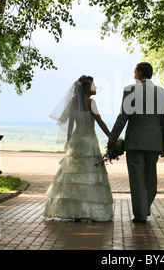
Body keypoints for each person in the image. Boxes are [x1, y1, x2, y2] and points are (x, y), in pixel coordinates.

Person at [44, 75, 113, 222]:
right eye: (92, 85)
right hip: (89, 142)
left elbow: (70, 125)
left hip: (76, 140)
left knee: (73, 175)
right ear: (86, 88)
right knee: (89, 175)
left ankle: (75, 209)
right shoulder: (91, 102)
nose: (95, 88)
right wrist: (112, 137)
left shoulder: (73, 103)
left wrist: (69, 140)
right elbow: (100, 122)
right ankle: (87, 209)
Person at [108, 62, 164, 223]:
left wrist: (112, 139)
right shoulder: (163, 92)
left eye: (135, 72)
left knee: (137, 180)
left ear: (140, 73)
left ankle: (141, 214)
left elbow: (123, 118)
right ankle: (145, 207)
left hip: (135, 142)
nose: (134, 76)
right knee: (150, 179)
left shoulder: (130, 90)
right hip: (155, 143)